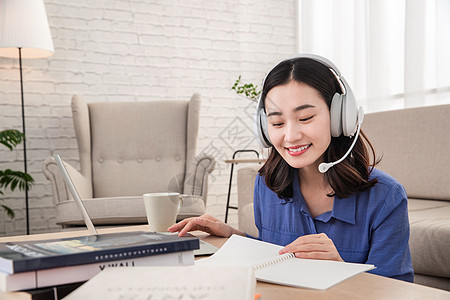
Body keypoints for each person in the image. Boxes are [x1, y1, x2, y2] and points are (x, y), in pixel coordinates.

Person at [169, 54, 414, 282]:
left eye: (305, 118)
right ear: (265, 129)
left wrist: (341, 267)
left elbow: (399, 291)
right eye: (277, 122)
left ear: (341, 116)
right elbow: (275, 254)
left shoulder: (386, 197)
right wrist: (231, 235)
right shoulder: (266, 184)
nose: (290, 135)